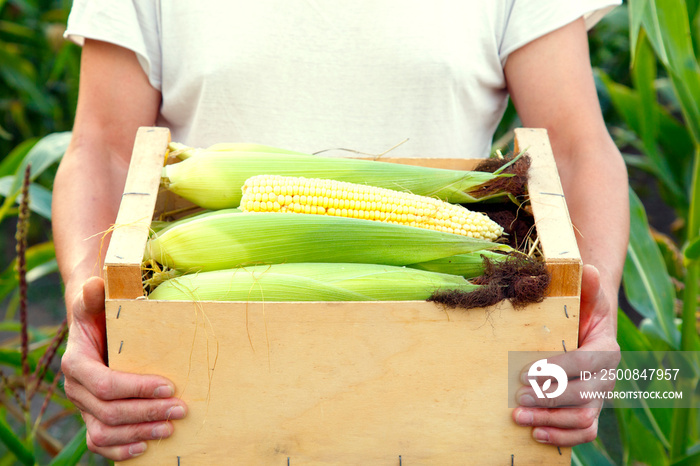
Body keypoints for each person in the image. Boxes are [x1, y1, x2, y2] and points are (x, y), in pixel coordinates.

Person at [53, 1, 628, 461]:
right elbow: (103, 148)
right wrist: (98, 307)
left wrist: (585, 311)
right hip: (211, 371)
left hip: (452, 368)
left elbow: (577, 148)